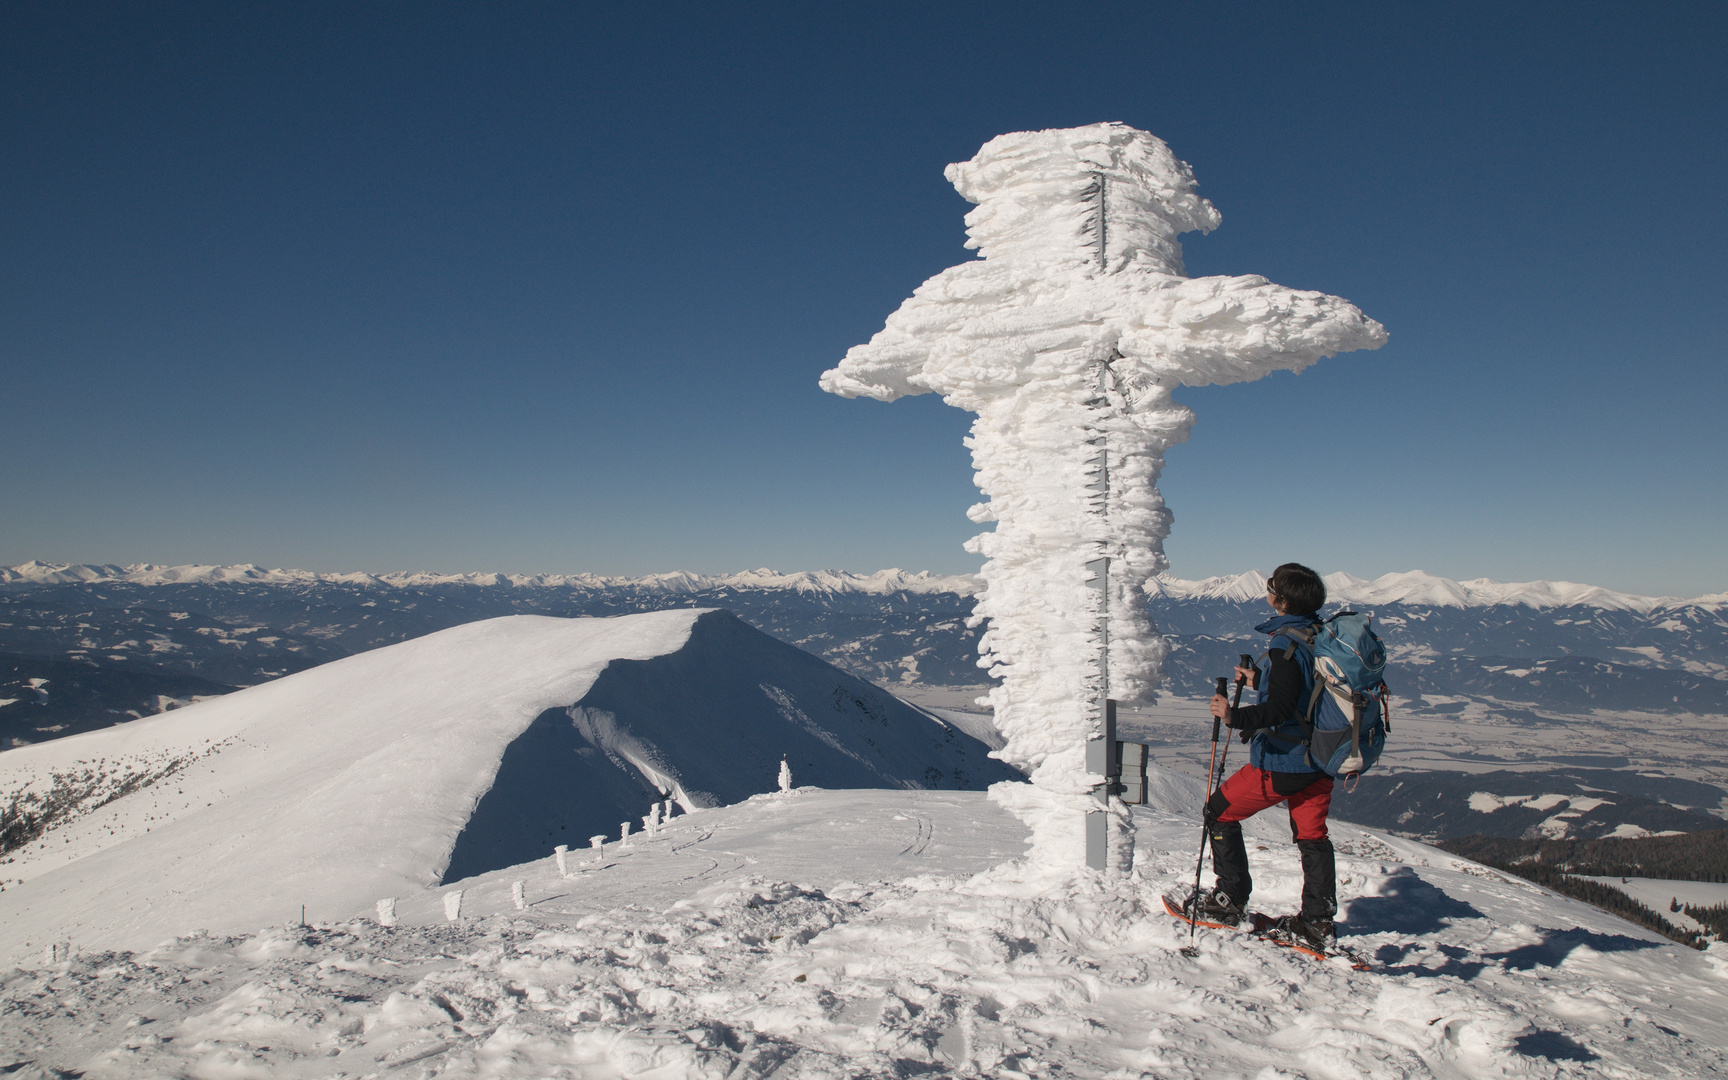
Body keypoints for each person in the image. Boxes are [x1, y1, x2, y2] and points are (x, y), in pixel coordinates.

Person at [1185, 561, 1337, 951]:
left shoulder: (1284, 643)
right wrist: (1260, 680)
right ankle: (1317, 922)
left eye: (1271, 586)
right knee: (1312, 836)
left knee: (1218, 812)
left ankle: (1229, 899)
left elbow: (1282, 709)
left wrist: (1232, 714)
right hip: (1323, 755)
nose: (1266, 590)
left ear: (1281, 599)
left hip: (1286, 759)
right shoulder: (1319, 633)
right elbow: (1304, 692)